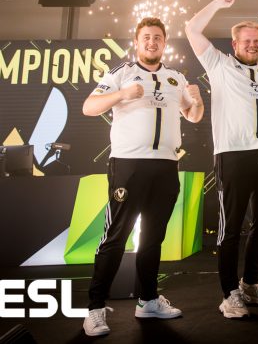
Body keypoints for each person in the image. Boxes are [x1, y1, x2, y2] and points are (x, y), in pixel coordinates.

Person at [82, 17, 204, 337]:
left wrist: (197, 100)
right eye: (146, 37)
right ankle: (95, 308)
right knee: (116, 237)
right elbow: (89, 107)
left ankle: (147, 300)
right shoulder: (121, 73)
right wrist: (122, 94)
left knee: (152, 238)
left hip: (166, 167)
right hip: (128, 165)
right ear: (136, 42)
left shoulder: (176, 77)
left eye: (158, 37)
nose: (152, 42)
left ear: (165, 43)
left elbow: (193, 116)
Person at [185, 0, 258, 319]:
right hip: (232, 155)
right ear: (234, 44)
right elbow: (192, 29)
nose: (253, 45)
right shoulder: (219, 64)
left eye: (257, 41)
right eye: (247, 41)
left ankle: (250, 283)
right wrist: (217, 4)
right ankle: (229, 294)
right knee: (232, 227)